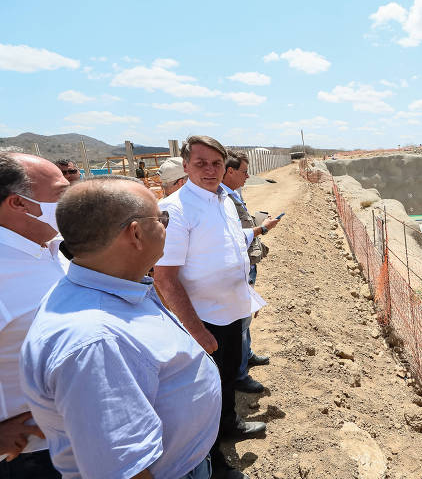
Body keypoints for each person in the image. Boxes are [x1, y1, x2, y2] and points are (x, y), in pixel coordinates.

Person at [20, 177, 221, 479]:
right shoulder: (95, 342)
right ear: (136, 234)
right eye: (161, 218)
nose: (166, 226)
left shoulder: (109, 286)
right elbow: (125, 470)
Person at [153, 136, 267, 479]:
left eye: (216, 164)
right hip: (204, 320)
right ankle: (214, 462)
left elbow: (232, 251)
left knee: (229, 376)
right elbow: (165, 278)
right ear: (185, 166)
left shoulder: (224, 201)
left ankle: (230, 425)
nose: (209, 170)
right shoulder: (176, 209)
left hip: (230, 312)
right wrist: (197, 330)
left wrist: (246, 300)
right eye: (200, 163)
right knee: (205, 396)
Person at [0, 153, 69, 478]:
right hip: (33, 456)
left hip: (76, 434)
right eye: (61, 194)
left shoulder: (48, 247)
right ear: (19, 203)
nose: (72, 201)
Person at [221, 150, 280, 390]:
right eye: (244, 171)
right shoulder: (223, 199)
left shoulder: (231, 194)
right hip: (238, 266)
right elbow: (234, 238)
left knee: (246, 317)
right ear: (230, 171)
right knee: (241, 319)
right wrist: (262, 229)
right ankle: (239, 375)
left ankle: (247, 355)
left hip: (246, 262)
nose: (247, 176)